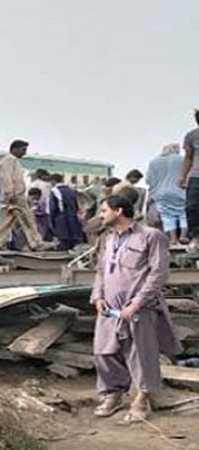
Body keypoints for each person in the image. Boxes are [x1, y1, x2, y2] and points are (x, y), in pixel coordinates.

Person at [90, 194, 181, 423]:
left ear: (118, 211)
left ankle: (141, 399)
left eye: (104, 210)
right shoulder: (108, 239)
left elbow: (158, 273)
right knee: (104, 352)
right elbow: (101, 271)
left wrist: (138, 302)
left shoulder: (151, 236)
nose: (101, 215)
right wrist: (98, 296)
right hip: (109, 307)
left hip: (139, 307)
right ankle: (113, 394)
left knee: (141, 354)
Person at [0, 140, 46, 251]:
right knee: (27, 219)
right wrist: (9, 192)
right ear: (15, 149)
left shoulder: (11, 161)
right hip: (15, 196)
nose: (24, 153)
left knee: (5, 222)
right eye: (23, 150)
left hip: (14, 195)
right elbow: (6, 177)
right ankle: (36, 243)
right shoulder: (9, 160)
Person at [148, 144, 188, 243]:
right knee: (183, 214)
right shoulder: (182, 159)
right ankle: (183, 236)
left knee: (167, 216)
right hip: (181, 191)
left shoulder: (154, 162)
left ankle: (173, 239)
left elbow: (149, 180)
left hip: (161, 194)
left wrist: (153, 194)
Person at [49, 173, 85, 250]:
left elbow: (53, 208)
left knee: (63, 241)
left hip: (61, 218)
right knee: (72, 240)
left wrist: (51, 219)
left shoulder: (55, 191)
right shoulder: (71, 190)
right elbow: (76, 204)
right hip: (73, 217)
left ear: (53, 181)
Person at [180, 111, 199, 249]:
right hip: (195, 176)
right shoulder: (191, 136)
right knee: (191, 207)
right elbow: (188, 158)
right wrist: (182, 176)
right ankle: (196, 236)